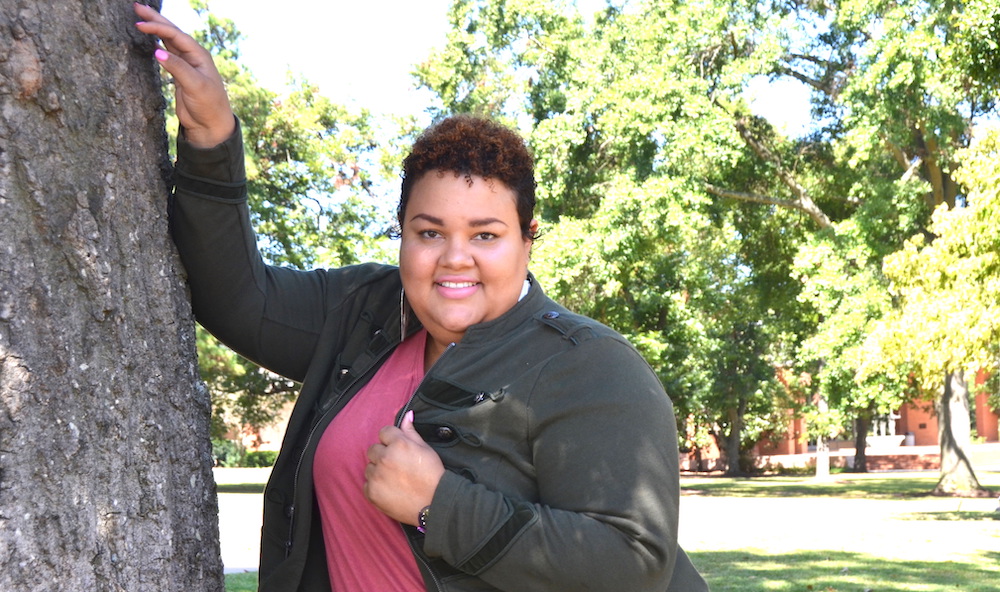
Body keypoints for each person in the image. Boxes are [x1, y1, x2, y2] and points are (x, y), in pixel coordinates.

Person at [134, 4, 709, 591]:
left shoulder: (589, 365)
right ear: (403, 233)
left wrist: (438, 504)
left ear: (528, 239)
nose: (455, 257)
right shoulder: (365, 311)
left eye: (486, 234)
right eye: (430, 232)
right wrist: (211, 138)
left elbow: (631, 564)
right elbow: (238, 299)